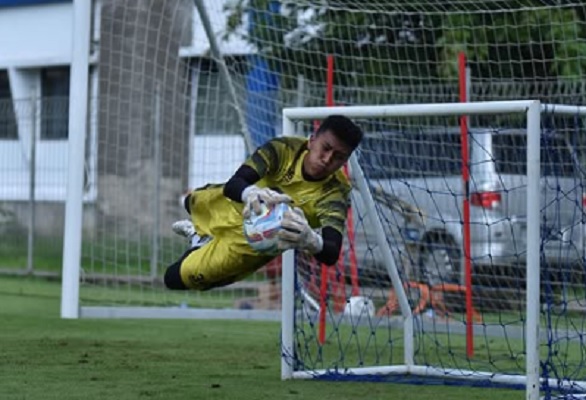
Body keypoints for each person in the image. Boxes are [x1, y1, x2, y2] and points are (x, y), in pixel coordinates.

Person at [164, 115, 363, 291]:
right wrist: (252, 193)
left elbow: (331, 252)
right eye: (326, 148)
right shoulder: (284, 149)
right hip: (229, 205)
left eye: (339, 157)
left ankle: (198, 246)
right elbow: (234, 184)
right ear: (311, 141)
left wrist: (311, 240)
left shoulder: (335, 192)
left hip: (247, 245)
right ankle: (200, 235)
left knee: (172, 278)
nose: (328, 159)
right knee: (190, 201)